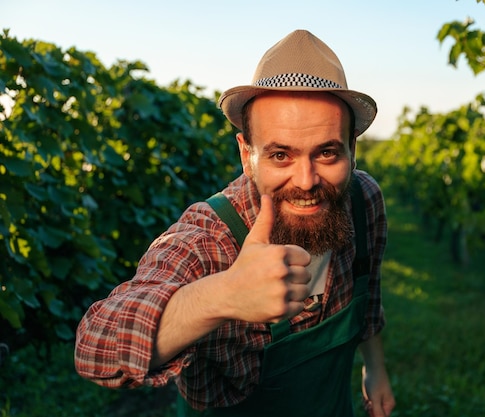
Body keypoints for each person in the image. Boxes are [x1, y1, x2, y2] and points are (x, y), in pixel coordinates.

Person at [75, 29, 395, 417]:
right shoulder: (210, 239)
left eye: (326, 153)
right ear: (247, 155)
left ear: (352, 150)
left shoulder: (364, 202)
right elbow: (96, 347)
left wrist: (374, 369)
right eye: (280, 155)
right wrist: (223, 294)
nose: (307, 180)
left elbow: (369, 294)